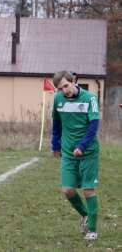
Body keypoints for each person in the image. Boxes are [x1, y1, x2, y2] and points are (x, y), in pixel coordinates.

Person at [51, 70, 100, 241]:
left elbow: (94, 124)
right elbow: (56, 123)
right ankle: (86, 215)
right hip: (68, 152)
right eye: (60, 88)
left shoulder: (89, 98)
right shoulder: (57, 100)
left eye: (66, 85)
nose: (64, 90)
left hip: (88, 152)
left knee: (88, 191)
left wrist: (83, 145)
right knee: (67, 190)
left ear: (73, 81)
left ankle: (92, 230)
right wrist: (55, 145)